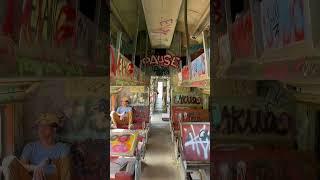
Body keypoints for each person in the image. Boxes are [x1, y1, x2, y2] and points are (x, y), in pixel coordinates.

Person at [2, 113, 71, 180]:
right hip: (33, 177)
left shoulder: (63, 148)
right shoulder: (30, 147)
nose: (41, 129)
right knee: (9, 160)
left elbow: (64, 173)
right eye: (40, 126)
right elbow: (21, 167)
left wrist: (47, 162)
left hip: (52, 178)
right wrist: (36, 167)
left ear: (54, 129)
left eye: (45, 126)